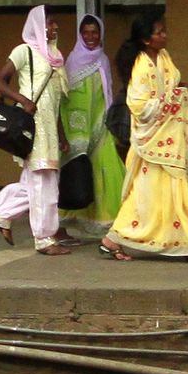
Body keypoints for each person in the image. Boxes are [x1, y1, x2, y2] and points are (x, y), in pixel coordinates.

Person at [99, 11, 188, 264]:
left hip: (168, 143)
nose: (165, 35)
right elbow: (140, 106)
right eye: (159, 32)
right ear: (146, 40)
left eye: (164, 30)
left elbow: (171, 86)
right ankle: (114, 241)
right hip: (150, 144)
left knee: (172, 196)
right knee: (146, 198)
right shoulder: (141, 65)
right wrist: (177, 100)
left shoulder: (164, 57)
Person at [0, 6, 71, 255]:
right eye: (50, 23)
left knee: (35, 182)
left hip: (50, 126)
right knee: (44, 183)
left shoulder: (55, 56)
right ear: (37, 25)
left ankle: (3, 215)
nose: (55, 28)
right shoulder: (23, 51)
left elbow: (55, 100)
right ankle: (44, 240)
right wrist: (22, 100)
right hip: (33, 126)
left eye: (55, 24)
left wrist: (62, 133)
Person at [58, 14, 127, 236]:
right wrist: (66, 135)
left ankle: (113, 222)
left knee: (111, 169)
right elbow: (65, 99)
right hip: (77, 129)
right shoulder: (72, 61)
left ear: (101, 34)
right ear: (80, 35)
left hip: (100, 126)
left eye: (94, 32)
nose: (90, 37)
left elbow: (106, 94)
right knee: (76, 173)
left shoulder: (103, 60)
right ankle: (61, 225)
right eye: (85, 32)